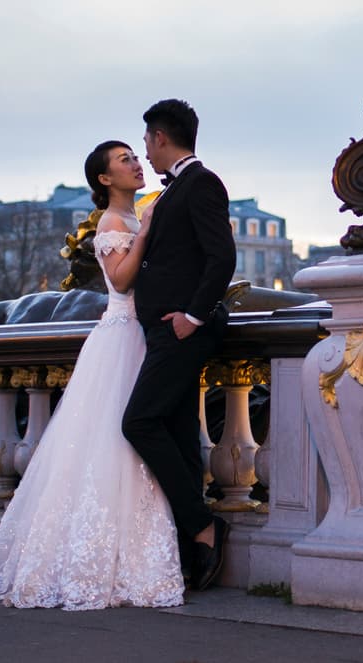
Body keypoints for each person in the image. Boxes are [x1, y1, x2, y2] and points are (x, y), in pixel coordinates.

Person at [0, 141, 184, 610]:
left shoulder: (135, 218)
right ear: (104, 179)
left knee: (125, 440)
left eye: (135, 156)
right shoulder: (113, 222)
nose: (136, 164)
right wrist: (147, 231)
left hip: (140, 335)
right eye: (125, 160)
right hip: (121, 338)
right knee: (112, 441)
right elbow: (120, 280)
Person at [123, 99, 236, 591]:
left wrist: (192, 318)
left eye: (146, 142)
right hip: (164, 330)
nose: (145, 153)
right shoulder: (178, 189)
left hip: (181, 330)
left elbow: (222, 257)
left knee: (138, 421)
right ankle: (193, 548)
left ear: (161, 137)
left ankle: (204, 525)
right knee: (180, 432)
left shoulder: (202, 183)